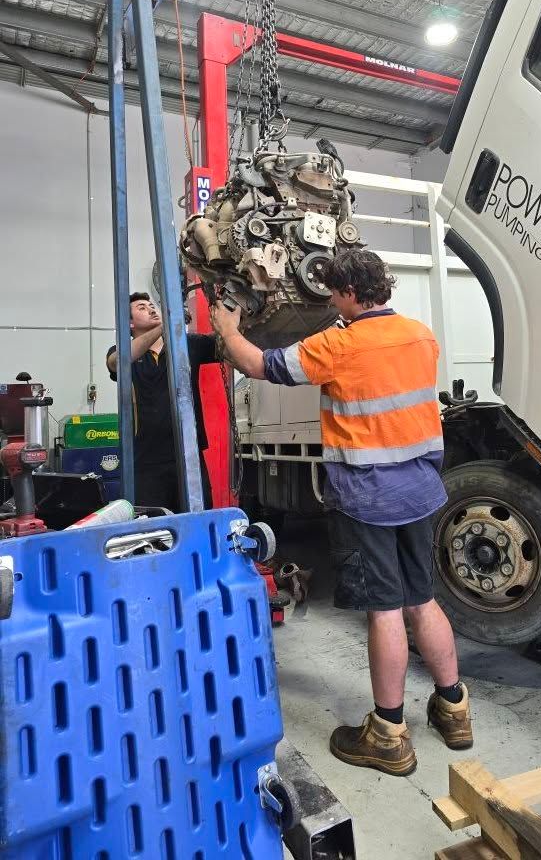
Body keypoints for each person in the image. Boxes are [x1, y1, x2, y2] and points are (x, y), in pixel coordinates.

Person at [210, 249, 472, 777]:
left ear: (350, 292)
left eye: (333, 291)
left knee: (385, 610)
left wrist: (228, 328)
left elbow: (260, 365)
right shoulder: (421, 334)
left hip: (369, 497)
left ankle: (389, 732)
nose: (329, 299)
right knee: (422, 600)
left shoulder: (340, 343)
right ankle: (454, 709)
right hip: (421, 489)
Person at [106, 292, 217, 511]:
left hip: (188, 458)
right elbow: (117, 362)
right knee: (152, 531)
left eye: (151, 305)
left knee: (196, 521)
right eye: (141, 307)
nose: (151, 308)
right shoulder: (124, 352)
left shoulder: (186, 346)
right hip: (145, 461)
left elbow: (227, 346)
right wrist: (167, 323)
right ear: (129, 323)